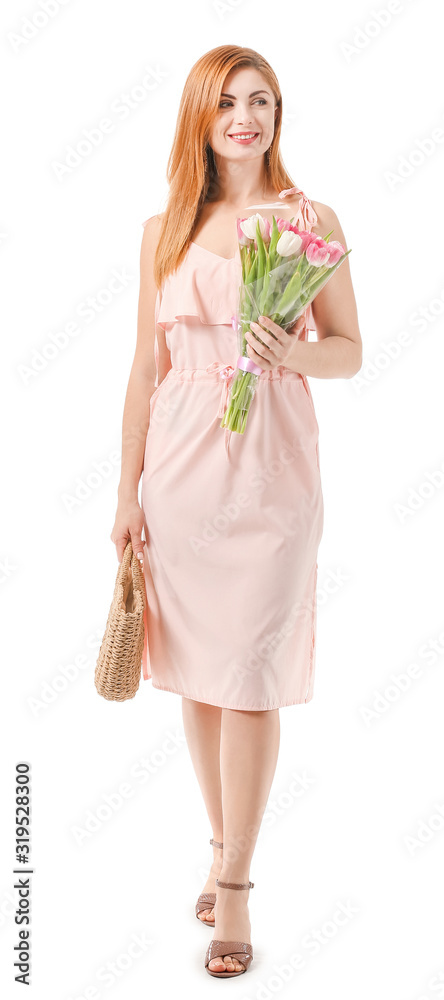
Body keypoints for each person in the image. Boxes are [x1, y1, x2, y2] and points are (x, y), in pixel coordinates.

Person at [111, 44, 362, 979]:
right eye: (226, 105)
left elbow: (349, 349)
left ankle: (241, 889)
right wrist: (125, 494)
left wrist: (287, 353)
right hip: (181, 476)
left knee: (251, 666)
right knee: (206, 676)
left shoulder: (306, 219)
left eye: (260, 101)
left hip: (272, 472)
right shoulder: (164, 227)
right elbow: (146, 369)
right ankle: (222, 851)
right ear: (201, 120)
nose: (245, 119)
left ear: (277, 114)